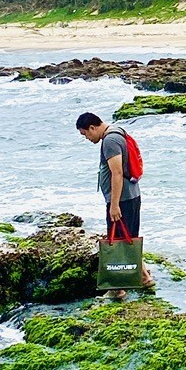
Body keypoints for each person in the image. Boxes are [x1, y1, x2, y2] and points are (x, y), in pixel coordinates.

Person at [75, 111, 154, 286]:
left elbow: (116, 173)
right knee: (128, 238)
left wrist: (114, 205)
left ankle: (122, 287)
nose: (86, 138)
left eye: (85, 133)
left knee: (120, 240)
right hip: (131, 195)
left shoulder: (110, 141)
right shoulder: (117, 131)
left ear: (92, 128)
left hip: (122, 199)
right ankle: (144, 275)